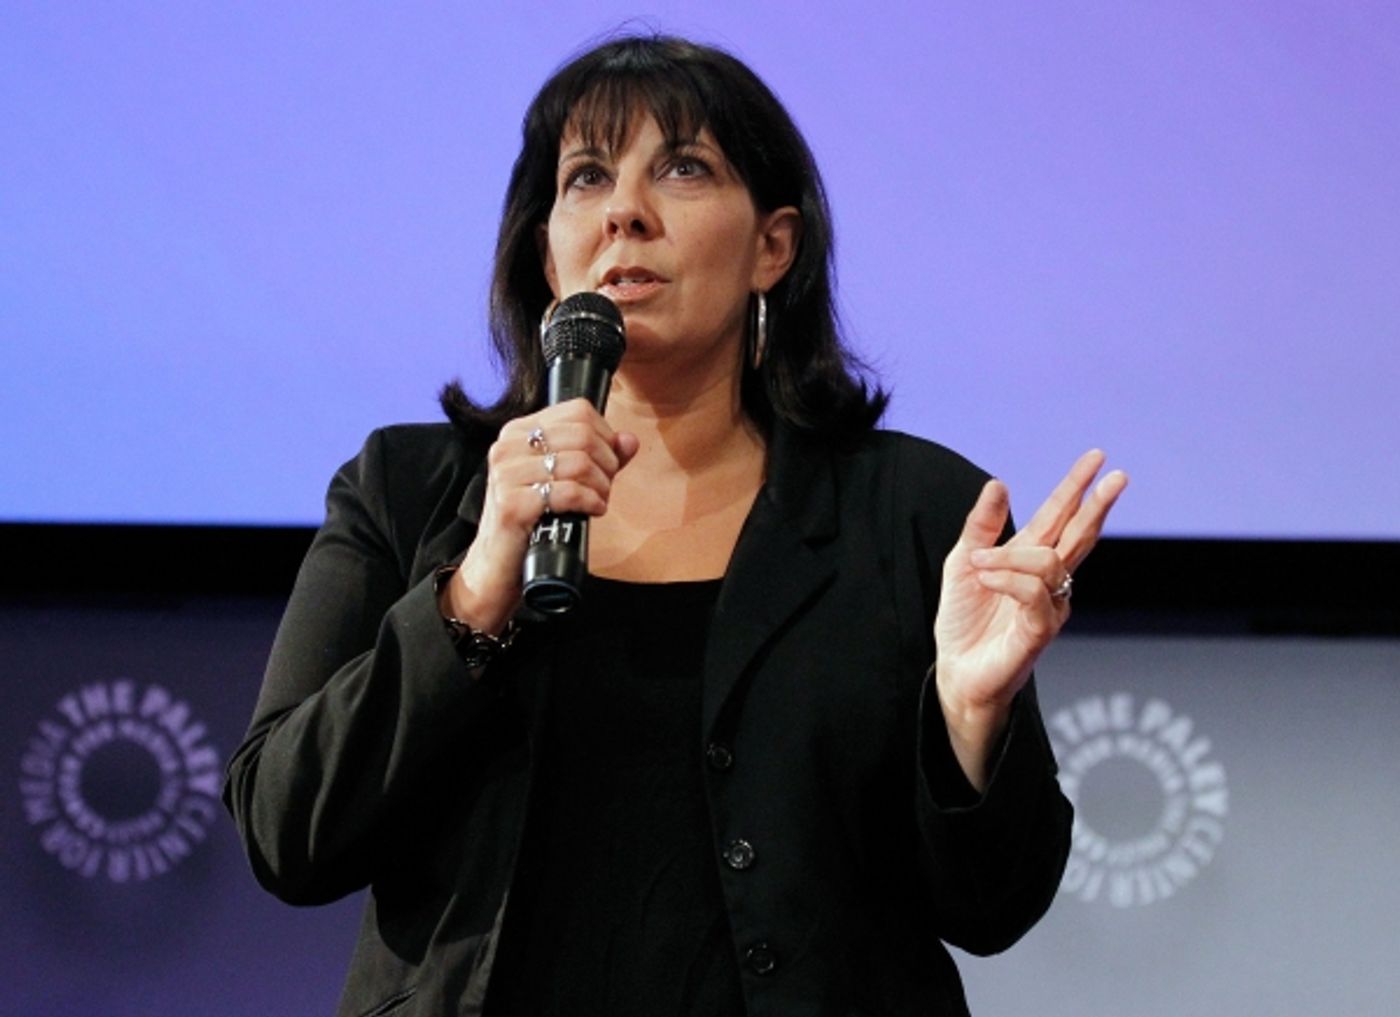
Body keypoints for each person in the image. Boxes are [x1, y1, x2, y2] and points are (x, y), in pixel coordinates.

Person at [223, 34, 1127, 1017]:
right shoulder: (409, 491)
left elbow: (993, 908)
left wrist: (969, 718)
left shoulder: (915, 512)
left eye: (683, 168)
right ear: (547, 253)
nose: (625, 211)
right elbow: (288, 832)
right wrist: (472, 595)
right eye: (587, 177)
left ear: (773, 247)